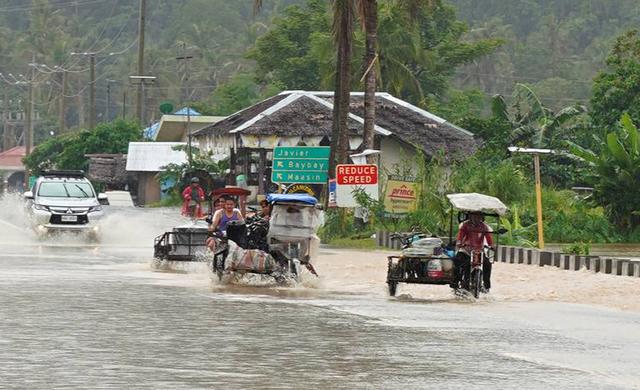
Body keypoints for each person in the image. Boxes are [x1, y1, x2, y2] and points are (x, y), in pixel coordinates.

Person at [451, 212, 494, 292]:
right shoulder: (465, 225)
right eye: (474, 215)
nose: (476, 218)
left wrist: (491, 245)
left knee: (487, 264)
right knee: (457, 261)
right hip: (466, 250)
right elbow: (460, 236)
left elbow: (489, 239)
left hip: (479, 251)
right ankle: (455, 283)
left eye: (478, 216)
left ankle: (486, 286)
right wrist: (459, 242)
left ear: (481, 217)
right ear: (470, 216)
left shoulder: (484, 227)